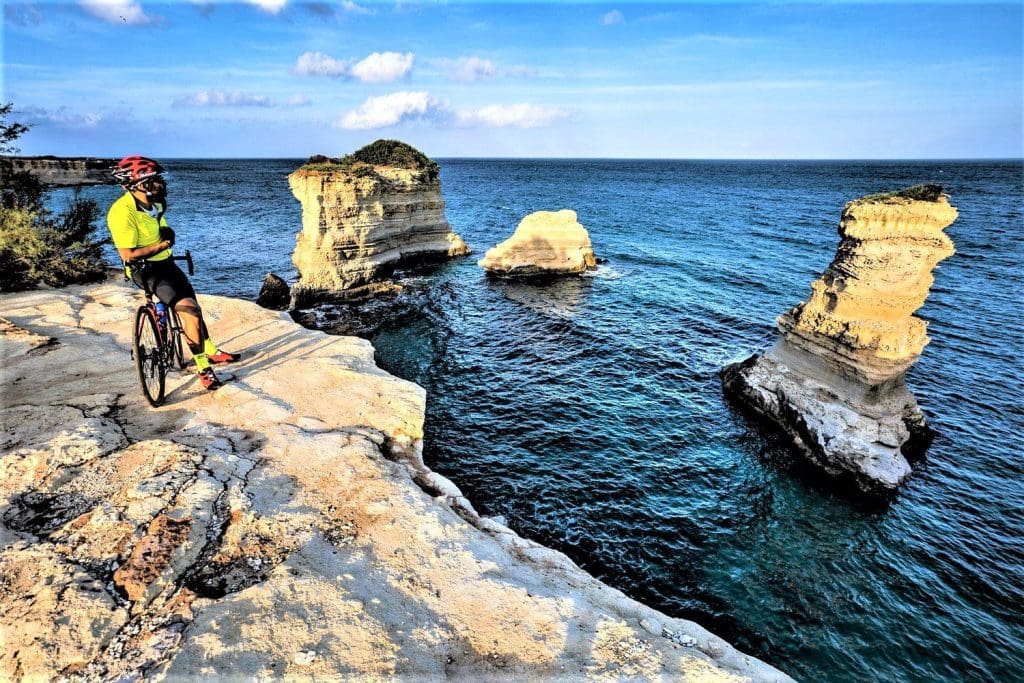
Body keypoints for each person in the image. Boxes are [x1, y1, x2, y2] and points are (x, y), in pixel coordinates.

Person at [108, 155, 240, 390]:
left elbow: (161, 224)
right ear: (141, 184)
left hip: (165, 263)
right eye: (156, 179)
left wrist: (168, 232)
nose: (162, 183)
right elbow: (128, 254)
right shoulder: (122, 212)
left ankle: (210, 350)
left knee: (193, 306)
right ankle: (203, 367)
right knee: (189, 311)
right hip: (145, 268)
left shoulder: (155, 203)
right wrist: (162, 246)